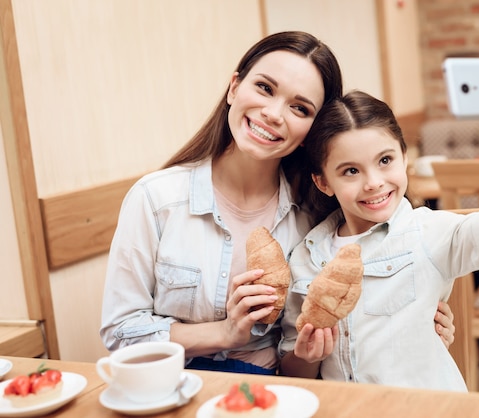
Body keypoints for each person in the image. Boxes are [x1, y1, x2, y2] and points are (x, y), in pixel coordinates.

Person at [99, 30, 455, 376]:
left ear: (311, 133)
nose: (273, 113)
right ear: (234, 87)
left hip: (280, 395)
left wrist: (420, 322)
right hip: (175, 388)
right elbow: (121, 333)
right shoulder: (156, 199)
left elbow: (361, 305)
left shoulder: (320, 217)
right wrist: (224, 333)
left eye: (299, 108)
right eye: (264, 88)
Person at [279, 50, 479, 391]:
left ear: (405, 158)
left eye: (385, 160)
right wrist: (307, 355)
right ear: (323, 181)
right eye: (351, 171)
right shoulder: (305, 257)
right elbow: (294, 373)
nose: (373, 181)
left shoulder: (428, 233)